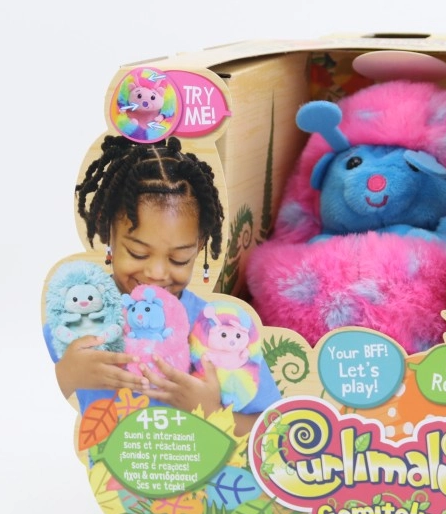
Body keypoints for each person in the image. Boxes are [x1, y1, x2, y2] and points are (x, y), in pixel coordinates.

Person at [45, 134, 279, 436]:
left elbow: (275, 431)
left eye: (179, 258)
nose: (156, 273)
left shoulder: (221, 327)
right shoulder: (77, 317)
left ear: (199, 246)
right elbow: (18, 410)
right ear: (107, 229)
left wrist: (212, 413)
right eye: (138, 253)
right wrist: (67, 375)